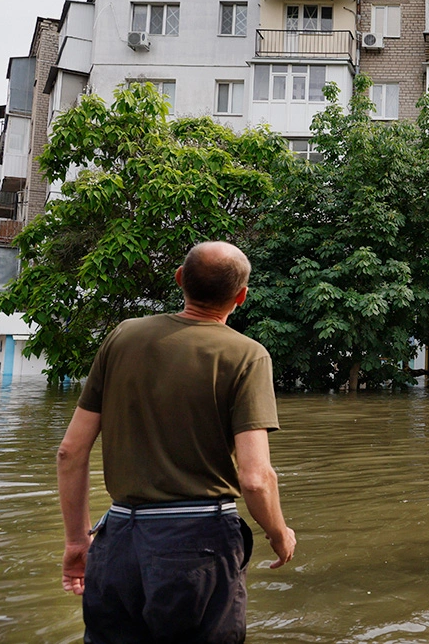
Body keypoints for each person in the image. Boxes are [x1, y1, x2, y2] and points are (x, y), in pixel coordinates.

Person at [56, 241, 296, 643]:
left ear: (180, 279)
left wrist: (78, 541)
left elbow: (70, 452)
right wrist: (279, 533)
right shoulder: (247, 355)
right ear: (241, 296)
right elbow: (255, 479)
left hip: (118, 541)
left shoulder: (122, 337)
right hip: (200, 547)